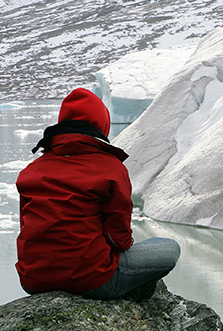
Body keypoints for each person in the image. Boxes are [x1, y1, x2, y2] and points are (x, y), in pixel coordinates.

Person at [15, 88, 180, 300]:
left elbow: (27, 227)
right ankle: (131, 292)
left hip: (34, 280)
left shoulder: (32, 170)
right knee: (169, 247)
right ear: (102, 125)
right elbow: (118, 238)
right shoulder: (110, 167)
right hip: (92, 280)